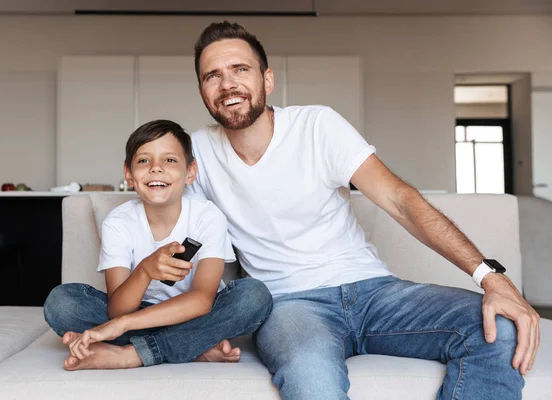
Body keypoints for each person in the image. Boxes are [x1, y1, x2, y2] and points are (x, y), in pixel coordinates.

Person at [187, 21, 540, 399]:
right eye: (213, 76)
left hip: (373, 293)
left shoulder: (317, 125)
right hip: (291, 306)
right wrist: (197, 336)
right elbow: (191, 246)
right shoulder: (197, 153)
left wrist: (491, 277)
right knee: (312, 377)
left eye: (240, 69)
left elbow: (400, 200)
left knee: (498, 326)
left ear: (267, 80)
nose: (228, 85)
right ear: (203, 91)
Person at [43, 119, 273, 371]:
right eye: (143, 161)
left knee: (253, 296)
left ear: (190, 172)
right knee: (61, 303)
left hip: (194, 315)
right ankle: (192, 347)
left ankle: (132, 355)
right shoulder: (118, 222)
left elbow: (202, 300)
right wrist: (144, 271)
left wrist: (123, 326)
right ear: (129, 174)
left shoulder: (207, 216)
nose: (156, 169)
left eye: (170, 160)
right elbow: (117, 309)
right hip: (145, 317)